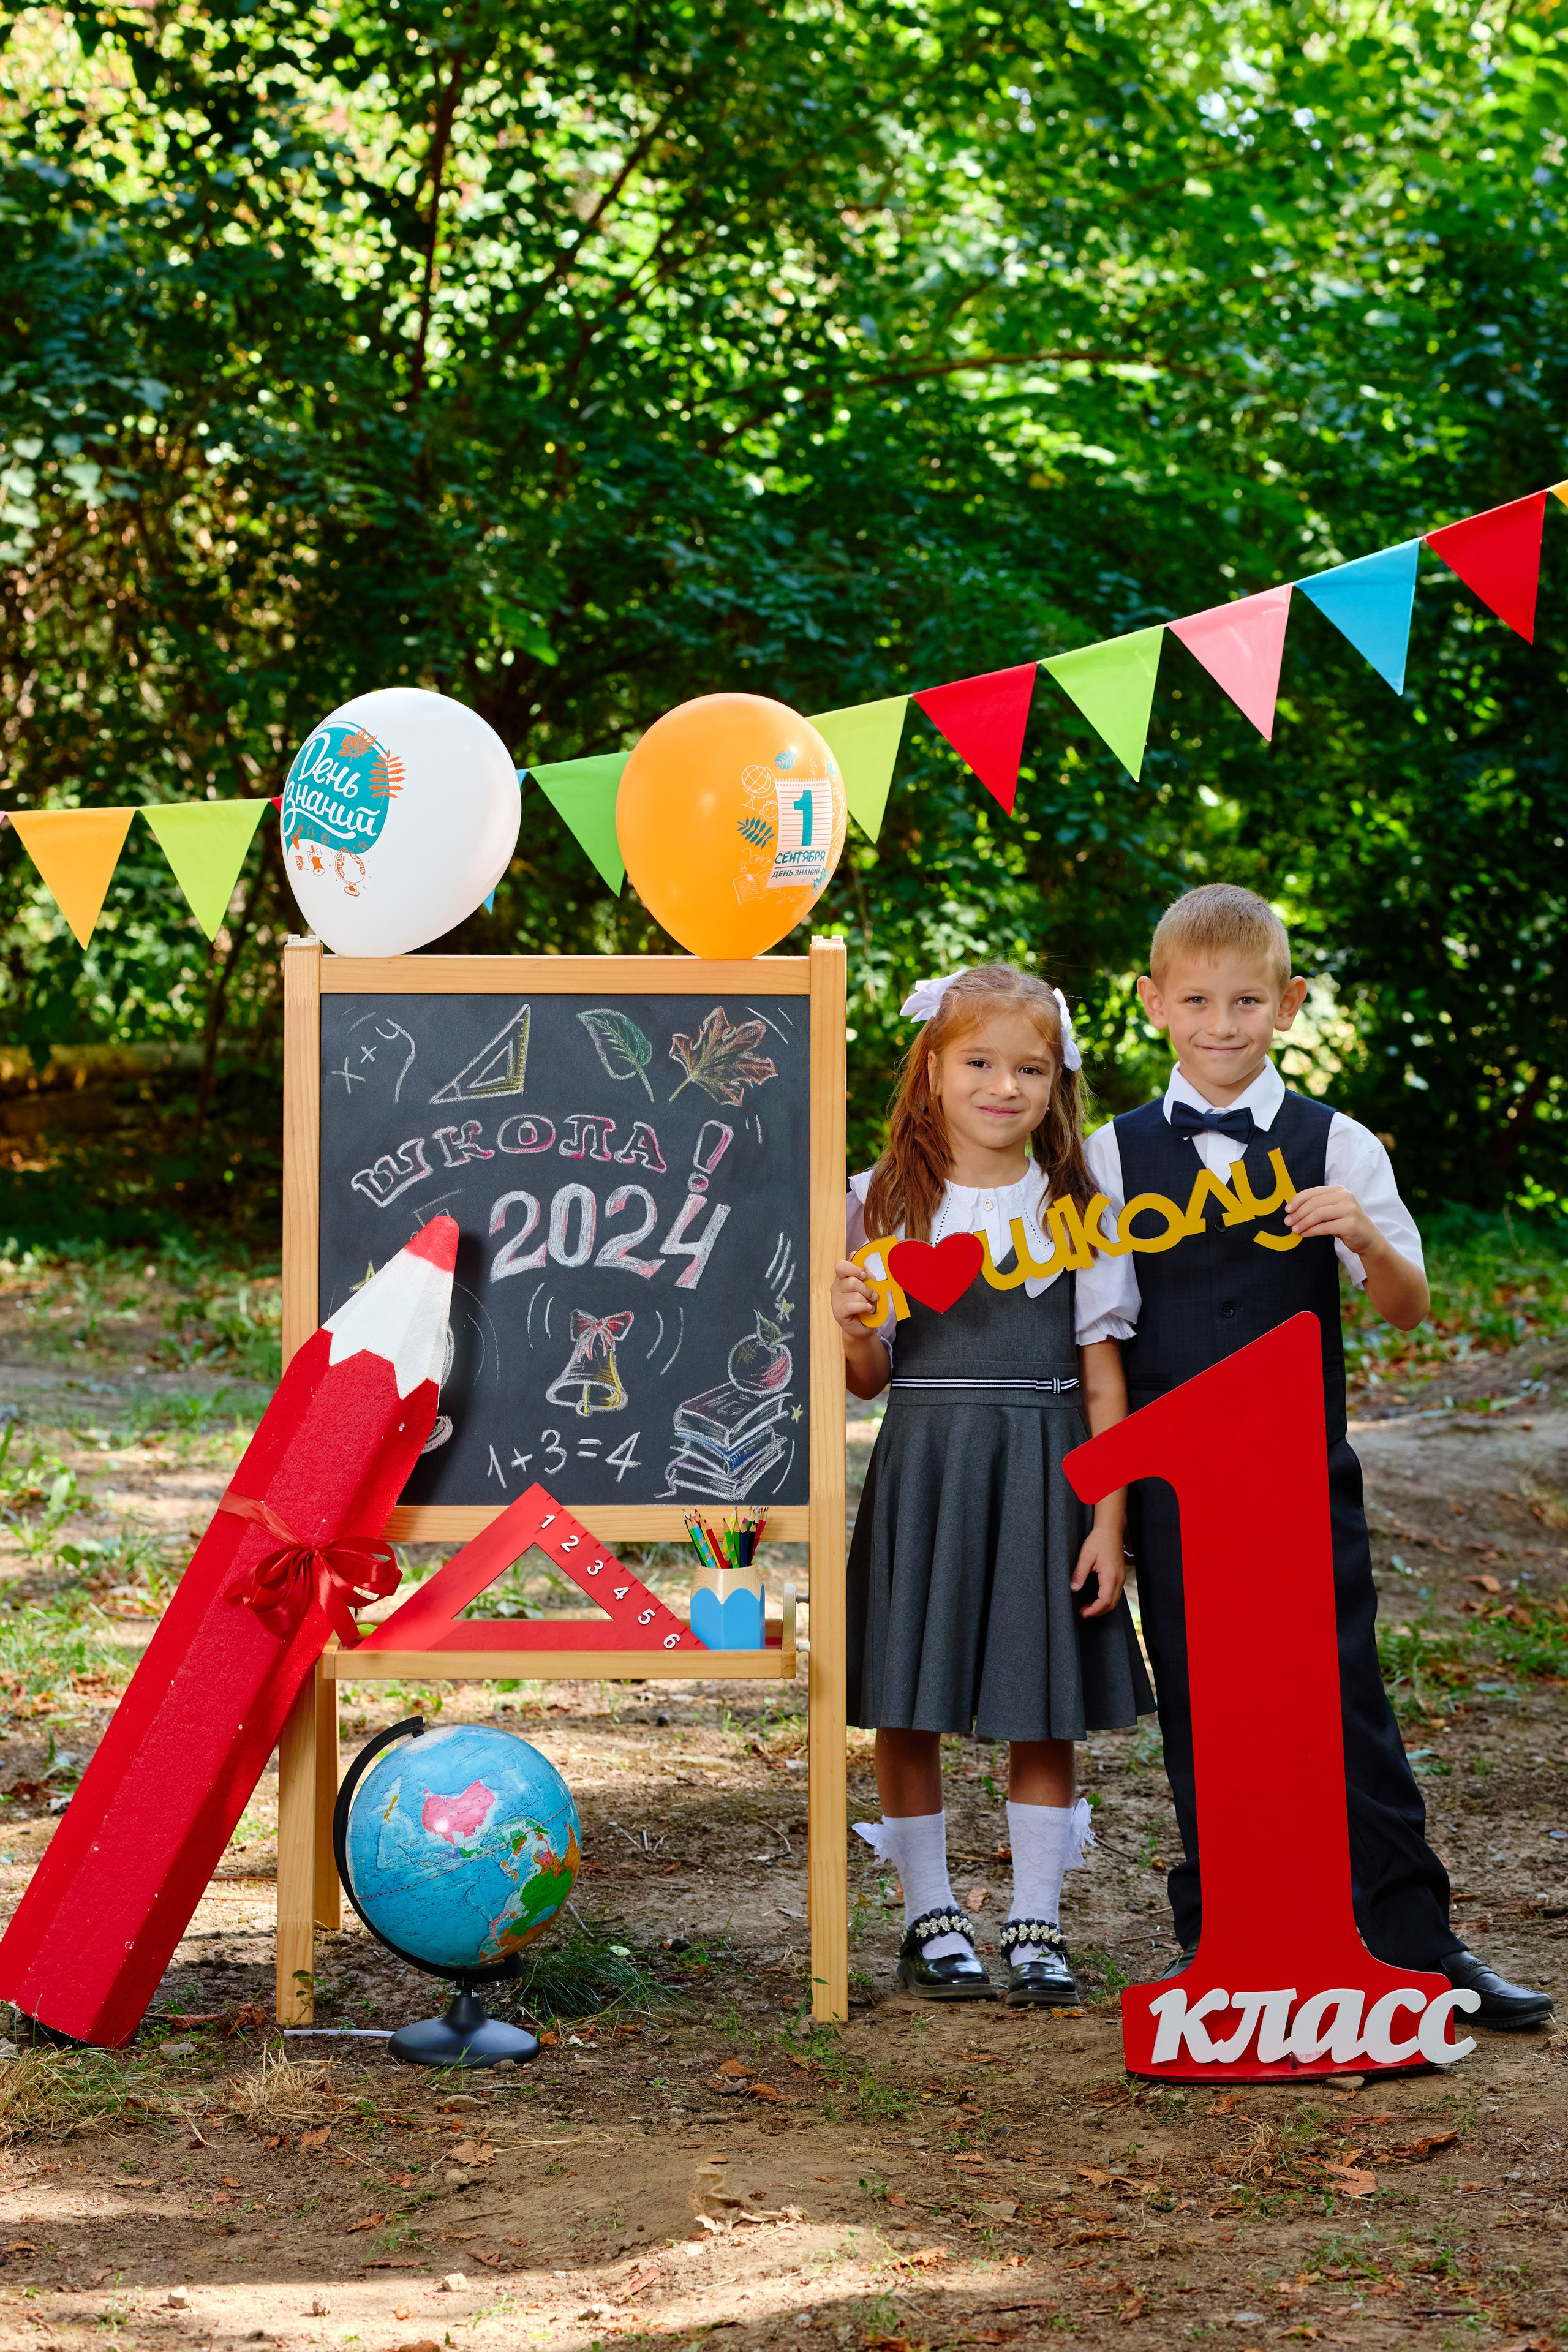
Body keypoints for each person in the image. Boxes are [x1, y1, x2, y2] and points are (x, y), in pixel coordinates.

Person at [1084, 881, 1551, 2027]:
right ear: (1154, 1004)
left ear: (1290, 1004)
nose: (1223, 1023)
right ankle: (1223, 1946)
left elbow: (1406, 1305)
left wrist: (1362, 1233)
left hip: (1301, 1478)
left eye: (1248, 1000)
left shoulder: (1336, 1142)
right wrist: (1110, 1505)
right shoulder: (1110, 1153)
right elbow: (1102, 1336)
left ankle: (1415, 1939)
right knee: (1202, 1704)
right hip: (1176, 1485)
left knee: (1347, 1702)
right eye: (1197, 1000)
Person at [832, 963, 1154, 2005]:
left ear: (1058, 1081)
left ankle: (1037, 1920)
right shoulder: (877, 1204)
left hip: (1047, 1461)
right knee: (909, 1698)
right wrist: (846, 1325)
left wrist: (1112, 1520)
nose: (1004, 1087)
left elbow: (1106, 1382)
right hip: (928, 1459)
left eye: (1031, 1068)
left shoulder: (1078, 1207)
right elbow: (871, 1376)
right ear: (932, 1071)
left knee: (1039, 1699)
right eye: (979, 1063)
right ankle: (931, 1914)